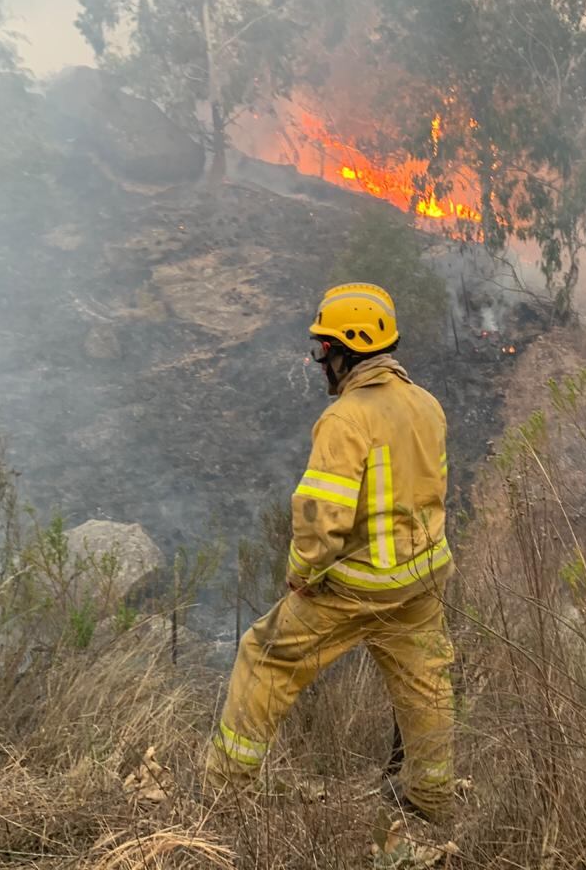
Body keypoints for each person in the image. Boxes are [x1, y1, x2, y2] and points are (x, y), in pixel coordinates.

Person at [207, 282, 456, 823]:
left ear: (346, 351)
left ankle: (222, 797)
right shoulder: (426, 404)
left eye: (325, 349)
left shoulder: (346, 419)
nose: (322, 361)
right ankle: (432, 802)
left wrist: (302, 573)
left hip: (358, 583)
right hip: (422, 578)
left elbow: (322, 518)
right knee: (425, 682)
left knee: (264, 654)